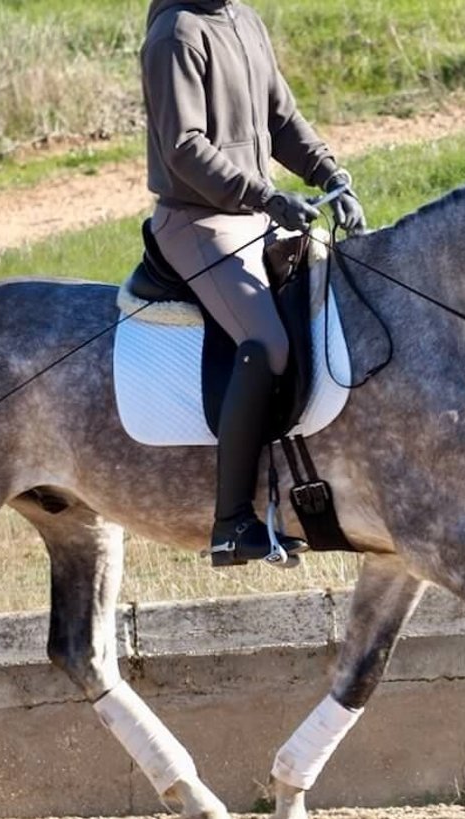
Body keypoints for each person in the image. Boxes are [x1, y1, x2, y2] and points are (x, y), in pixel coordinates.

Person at [141, 0, 367, 566]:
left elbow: (281, 117)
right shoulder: (176, 34)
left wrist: (330, 174)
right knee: (267, 344)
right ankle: (231, 523)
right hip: (198, 221)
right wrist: (265, 196)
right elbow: (185, 148)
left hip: (252, 212)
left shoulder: (245, 20)